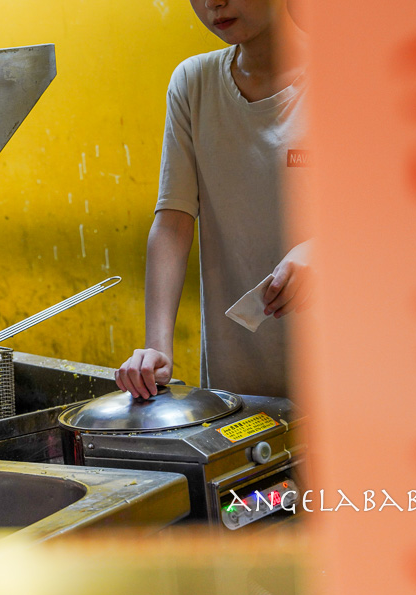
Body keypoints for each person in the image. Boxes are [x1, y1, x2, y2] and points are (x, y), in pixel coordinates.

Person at [115, 0, 311, 400]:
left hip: (346, 374)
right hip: (239, 380)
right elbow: (173, 221)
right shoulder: (193, 83)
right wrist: (157, 348)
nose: (212, 3)